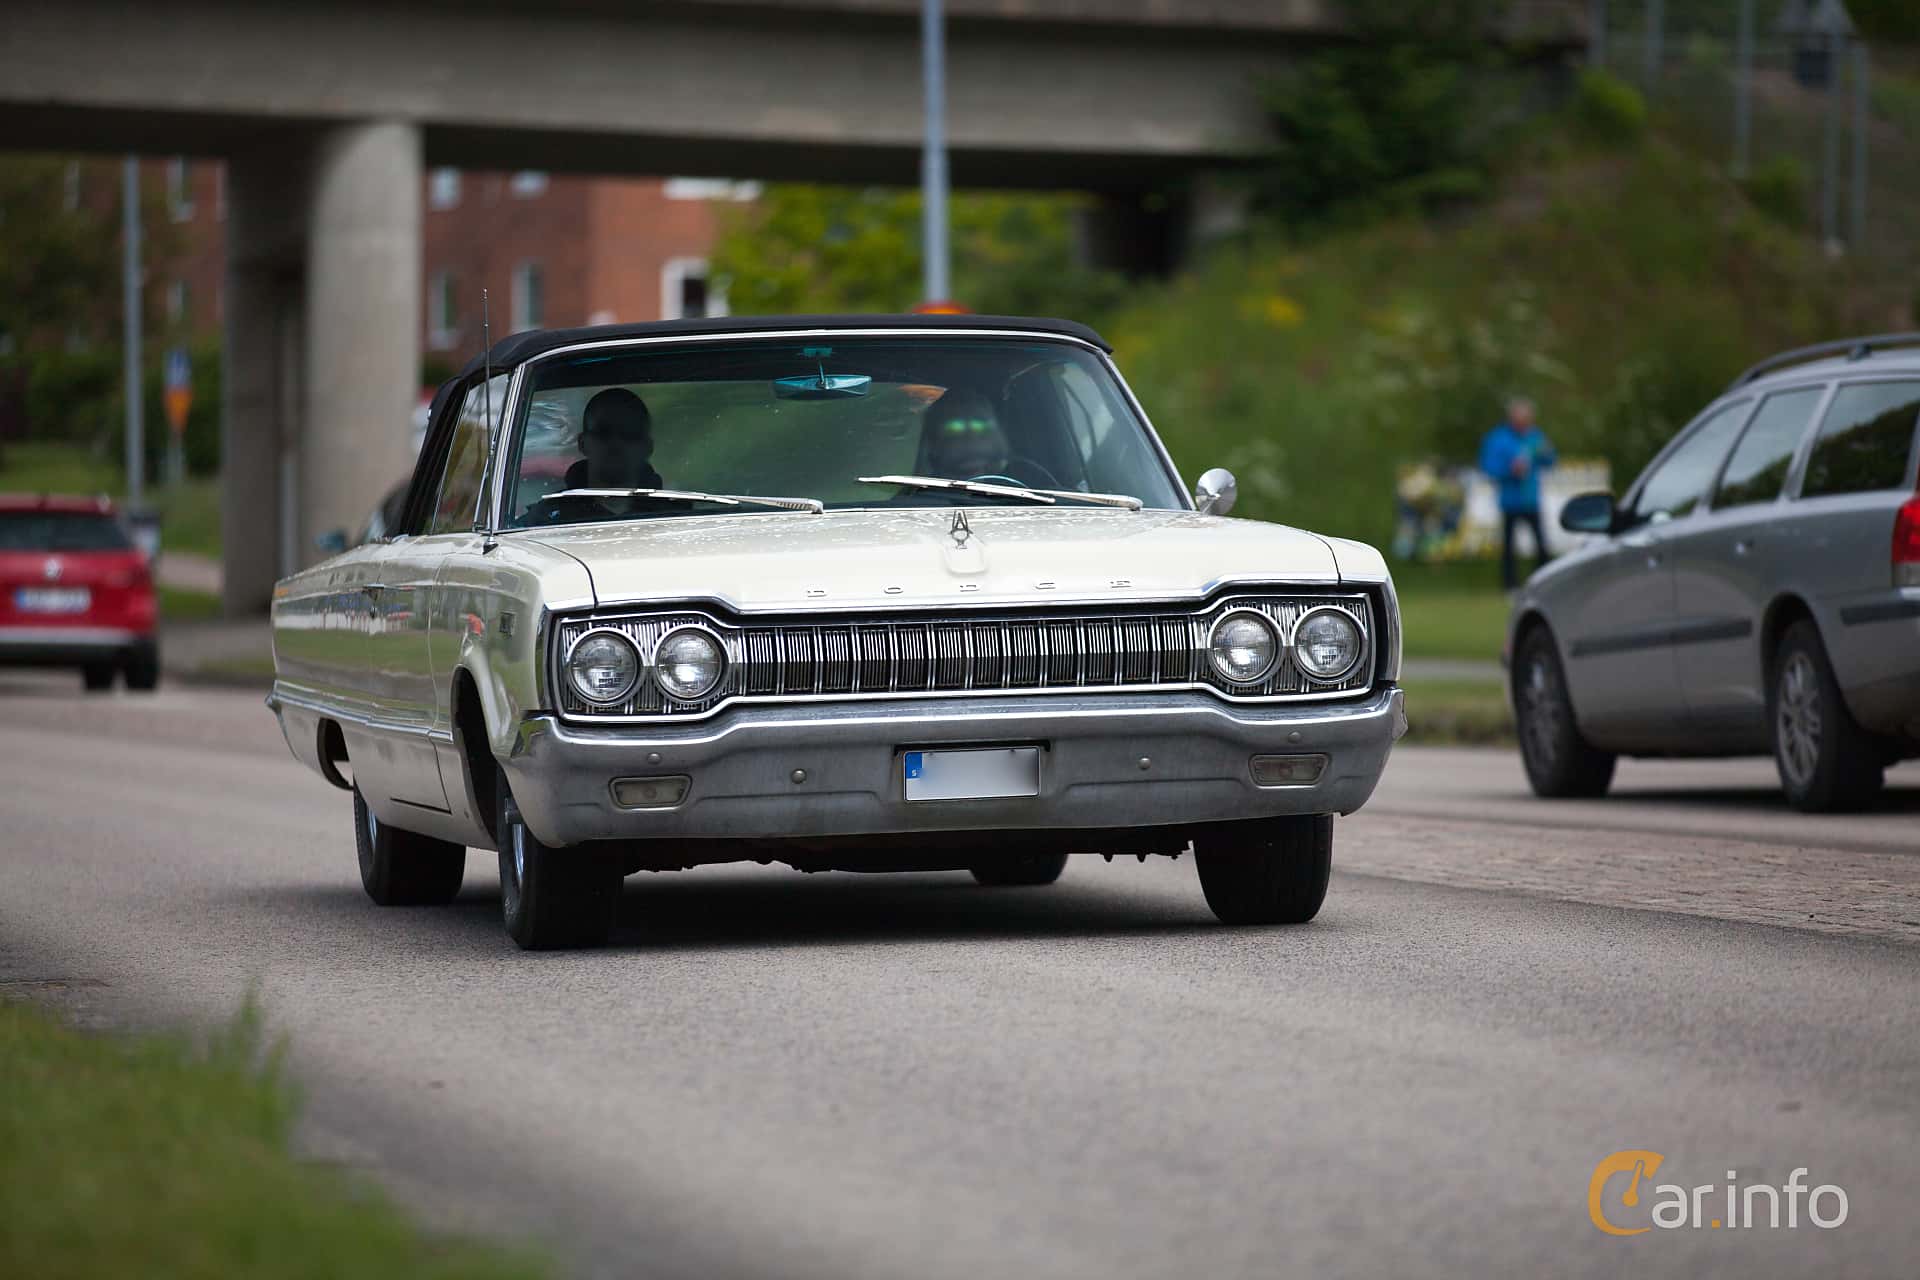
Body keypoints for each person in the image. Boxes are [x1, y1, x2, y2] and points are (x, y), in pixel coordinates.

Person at [520, 388, 663, 525]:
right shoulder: (544, 520)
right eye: (603, 432)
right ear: (583, 443)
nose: (616, 443)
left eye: (629, 433)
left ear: (647, 447)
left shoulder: (675, 516)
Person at [1479, 396, 1557, 590]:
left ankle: (1545, 583)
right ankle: (1510, 585)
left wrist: (1546, 453)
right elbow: (1488, 467)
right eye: (1521, 417)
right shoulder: (1498, 438)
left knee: (1541, 544)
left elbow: (1550, 461)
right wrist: (1510, 470)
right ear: (1512, 417)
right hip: (1510, 500)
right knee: (1509, 547)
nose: (1525, 422)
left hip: (1531, 499)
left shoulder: (1535, 436)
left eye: (1528, 418)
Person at [921, 389, 1012, 480]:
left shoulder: (1013, 490)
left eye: (979, 428)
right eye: (954, 429)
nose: (971, 440)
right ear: (934, 443)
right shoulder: (918, 491)